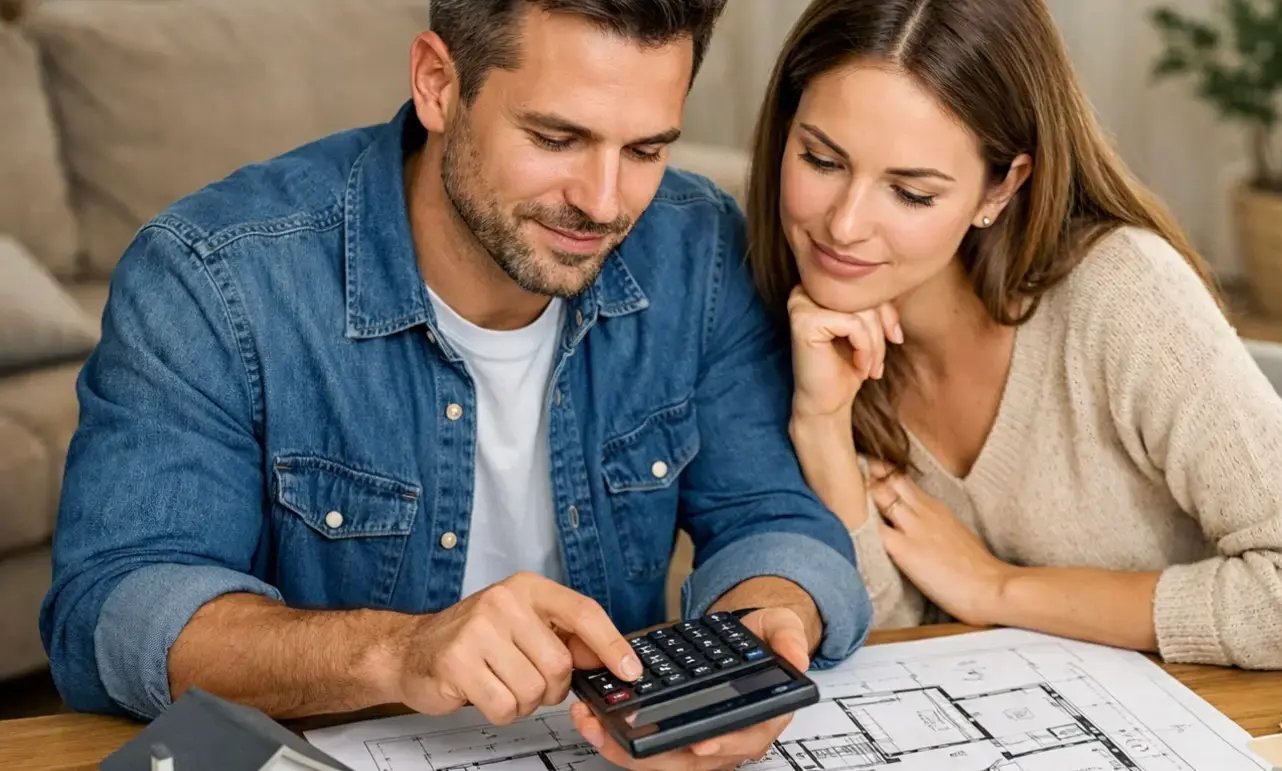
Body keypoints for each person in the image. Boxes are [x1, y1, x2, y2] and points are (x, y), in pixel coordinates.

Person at [40, 1, 870, 768]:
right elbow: (114, 608)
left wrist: (772, 622)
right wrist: (401, 651)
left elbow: (771, 517)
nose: (605, 202)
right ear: (439, 84)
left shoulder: (696, 244)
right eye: (555, 138)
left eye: (647, 149)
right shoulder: (214, 277)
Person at [747, 0, 1282, 670]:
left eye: (912, 193)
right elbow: (893, 645)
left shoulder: (1122, 296)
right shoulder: (797, 330)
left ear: (1001, 189)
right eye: (821, 159)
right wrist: (824, 427)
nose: (845, 225)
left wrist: (999, 588)